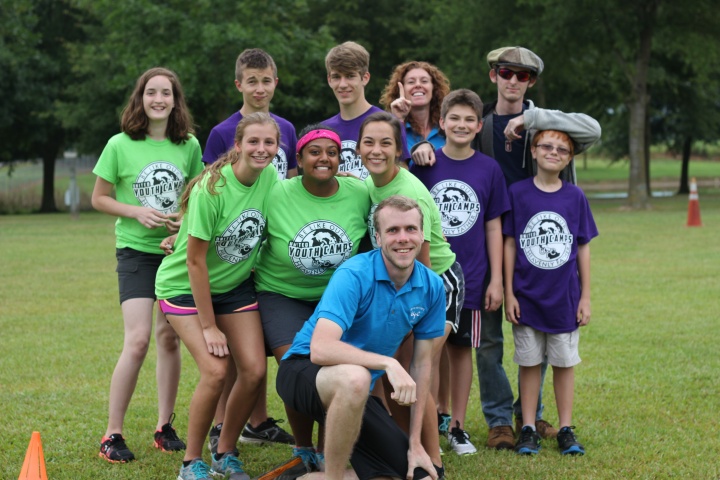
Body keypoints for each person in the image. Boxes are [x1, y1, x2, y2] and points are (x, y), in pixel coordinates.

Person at [413, 46, 601, 450]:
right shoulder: (480, 123)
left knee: (543, 330)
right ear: (493, 75)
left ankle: (528, 417)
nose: (513, 81)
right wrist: (421, 144)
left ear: (531, 82)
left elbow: (592, 130)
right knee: (490, 342)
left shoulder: (544, 124)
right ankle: (500, 420)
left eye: (523, 75)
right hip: (493, 241)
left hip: (540, 240)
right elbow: (449, 142)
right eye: (506, 72)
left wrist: (532, 118)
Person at [276, 195, 445, 480]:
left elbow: (423, 366)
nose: (402, 238)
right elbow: (320, 349)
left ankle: (303, 478)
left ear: (421, 235)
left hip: (357, 391)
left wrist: (416, 442)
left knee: (421, 476)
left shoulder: (432, 287)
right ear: (378, 238)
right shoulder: (354, 274)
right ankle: (332, 477)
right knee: (357, 377)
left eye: (410, 229)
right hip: (303, 372)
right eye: (392, 231)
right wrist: (389, 364)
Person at [155, 113, 280, 480]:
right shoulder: (212, 189)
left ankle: (225, 452)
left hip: (233, 286)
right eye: (253, 142)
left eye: (269, 143)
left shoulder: (270, 177)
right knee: (214, 370)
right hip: (184, 288)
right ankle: (191, 463)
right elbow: (194, 262)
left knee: (255, 371)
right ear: (237, 145)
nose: (261, 149)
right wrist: (209, 326)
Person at [92, 67, 202, 463]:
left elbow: (195, 195)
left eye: (166, 93)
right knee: (137, 340)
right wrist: (137, 212)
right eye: (151, 92)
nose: (159, 99)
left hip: (173, 252)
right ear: (140, 98)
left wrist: (182, 225)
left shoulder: (188, 144)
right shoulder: (120, 144)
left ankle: (164, 425)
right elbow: (100, 198)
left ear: (176, 100)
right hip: (136, 252)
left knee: (169, 338)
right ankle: (112, 434)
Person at [253, 124, 371, 476]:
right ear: (299, 159)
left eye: (331, 153)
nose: (324, 158)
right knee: (299, 368)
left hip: (337, 299)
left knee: (335, 372)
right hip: (282, 293)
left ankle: (327, 447)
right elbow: (232, 213)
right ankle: (304, 446)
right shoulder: (275, 192)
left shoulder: (359, 191)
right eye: (314, 152)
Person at [202, 48, 296, 452]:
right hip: (235, 252)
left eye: (267, 80)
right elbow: (207, 187)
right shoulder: (224, 132)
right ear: (239, 84)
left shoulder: (287, 128)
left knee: (256, 347)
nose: (260, 88)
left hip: (270, 251)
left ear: (276, 82)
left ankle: (257, 422)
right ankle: (222, 423)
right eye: (251, 81)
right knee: (234, 352)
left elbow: (290, 182)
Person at [411, 89, 510, 456]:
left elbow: (493, 227)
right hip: (430, 274)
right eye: (455, 118)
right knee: (428, 349)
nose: (462, 125)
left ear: (479, 126)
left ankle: (457, 426)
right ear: (442, 123)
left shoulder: (489, 169)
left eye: (470, 120)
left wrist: (496, 279)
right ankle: (431, 419)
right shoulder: (424, 164)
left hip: (471, 276)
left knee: (461, 349)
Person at [503, 128, 598, 455]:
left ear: (569, 158)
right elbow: (510, 243)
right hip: (526, 296)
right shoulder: (517, 193)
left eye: (562, 149)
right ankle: (528, 427)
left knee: (563, 363)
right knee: (528, 364)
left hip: (565, 298)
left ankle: (566, 428)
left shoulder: (575, 196)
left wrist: (585, 296)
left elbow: (582, 247)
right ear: (533, 150)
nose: (553, 152)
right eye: (547, 146)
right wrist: (509, 292)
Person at [322, 41, 410, 181]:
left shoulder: (388, 123)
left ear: (365, 78)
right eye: (337, 77)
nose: (343, 84)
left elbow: (403, 180)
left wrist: (363, 186)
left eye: (350, 76)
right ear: (329, 80)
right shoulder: (323, 130)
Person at [380, 60, 450, 152]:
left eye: (424, 81)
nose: (418, 85)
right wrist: (398, 120)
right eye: (411, 82)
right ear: (401, 89)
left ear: (434, 88)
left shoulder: (447, 126)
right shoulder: (388, 128)